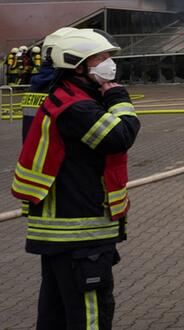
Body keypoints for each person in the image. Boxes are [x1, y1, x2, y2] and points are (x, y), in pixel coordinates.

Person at [11, 28, 140, 329]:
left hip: (64, 235)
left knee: (56, 315)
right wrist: (120, 99)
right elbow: (119, 137)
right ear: (78, 64)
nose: (110, 63)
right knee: (90, 316)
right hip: (80, 234)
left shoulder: (70, 98)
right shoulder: (76, 107)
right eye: (102, 57)